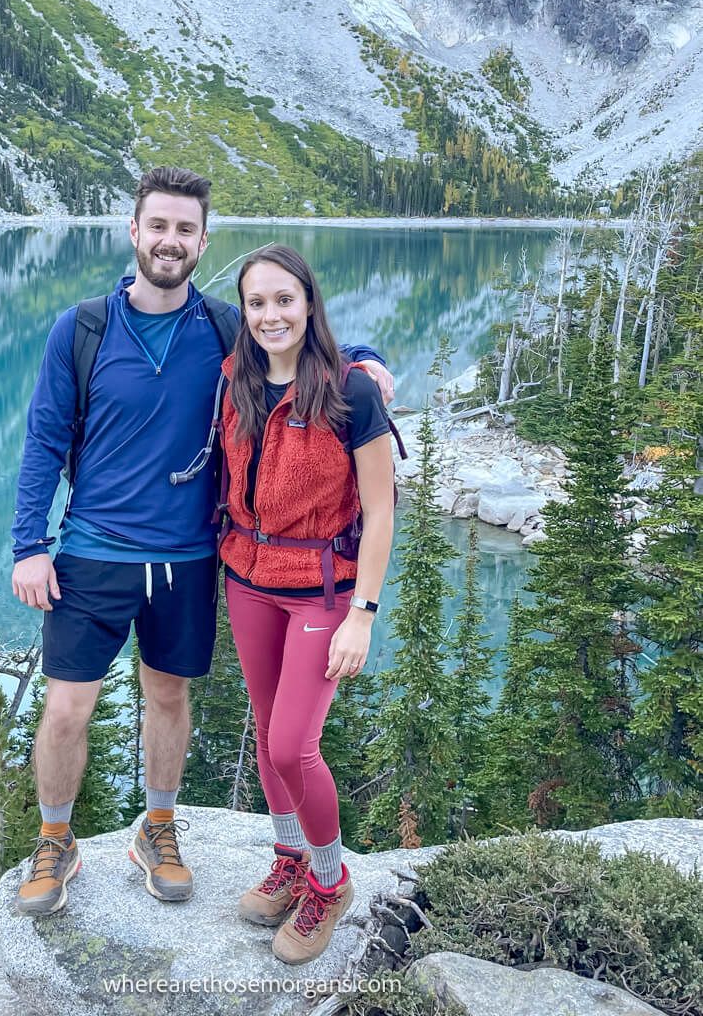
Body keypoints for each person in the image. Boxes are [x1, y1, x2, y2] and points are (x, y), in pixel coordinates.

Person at [9, 167, 394, 916]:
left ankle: (158, 826)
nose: (170, 241)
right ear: (133, 231)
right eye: (158, 226)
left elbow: (293, 340)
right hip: (91, 549)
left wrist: (366, 357)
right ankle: (55, 839)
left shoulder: (220, 326)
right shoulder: (83, 329)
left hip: (188, 557)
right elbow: (44, 438)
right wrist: (31, 543)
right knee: (65, 709)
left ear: (202, 241)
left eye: (186, 230)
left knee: (168, 695)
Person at [217, 245, 395, 965]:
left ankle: (330, 880)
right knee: (266, 737)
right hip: (248, 579)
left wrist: (364, 614)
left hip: (323, 590)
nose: (269, 315)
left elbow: (380, 513)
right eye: (256, 303)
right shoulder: (236, 379)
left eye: (283, 300)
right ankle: (290, 858)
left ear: (309, 302)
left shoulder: (353, 392)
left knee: (295, 745)